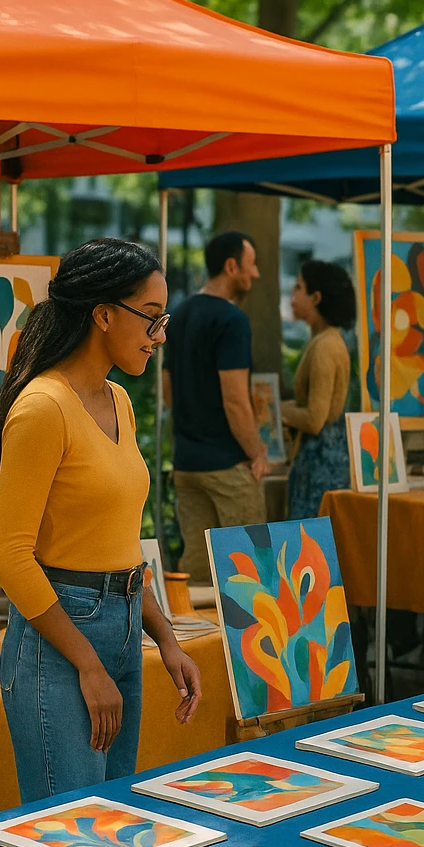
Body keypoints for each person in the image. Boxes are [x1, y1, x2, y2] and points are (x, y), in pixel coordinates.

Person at [0, 238, 201, 802]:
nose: (160, 337)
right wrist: (86, 662)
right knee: (67, 836)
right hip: (60, 643)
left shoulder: (119, 401)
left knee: (112, 826)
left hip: (125, 628)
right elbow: (7, 556)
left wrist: (168, 640)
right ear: (102, 314)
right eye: (151, 319)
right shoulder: (42, 408)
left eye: (164, 319)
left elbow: (120, 546)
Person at [163, 230, 267, 584]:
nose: (255, 274)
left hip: (187, 463)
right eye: (250, 265)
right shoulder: (232, 321)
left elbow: (167, 391)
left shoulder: (179, 313)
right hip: (227, 465)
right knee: (250, 574)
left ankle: (199, 640)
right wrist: (257, 453)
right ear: (231, 265)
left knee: (197, 578)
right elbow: (236, 399)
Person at [283, 260, 356, 520]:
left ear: (316, 297)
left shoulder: (325, 346)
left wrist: (279, 411)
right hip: (319, 460)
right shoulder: (324, 340)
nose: (292, 295)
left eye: (299, 287)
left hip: (320, 465)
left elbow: (315, 419)